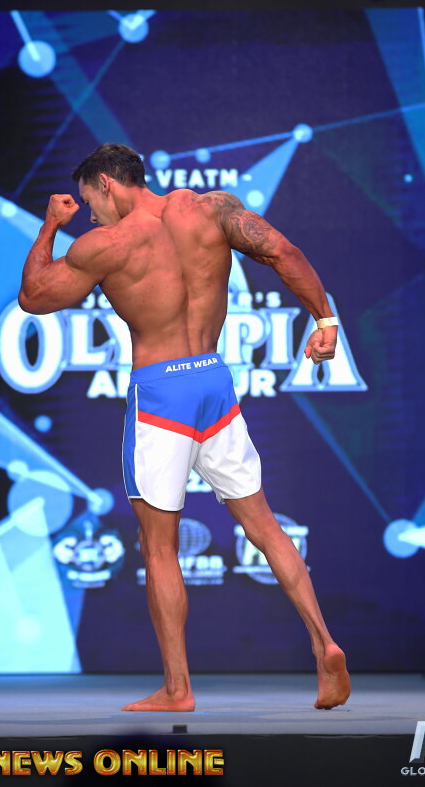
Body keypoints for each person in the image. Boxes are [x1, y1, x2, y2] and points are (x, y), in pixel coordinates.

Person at [18, 143, 350, 713]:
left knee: (159, 547)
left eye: (91, 201)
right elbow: (283, 251)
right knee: (265, 526)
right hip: (213, 382)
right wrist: (325, 319)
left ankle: (177, 689)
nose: (90, 214)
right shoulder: (210, 209)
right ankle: (325, 645)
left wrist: (50, 225)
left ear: (106, 183)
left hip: (161, 397)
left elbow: (33, 296)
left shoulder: (108, 243)